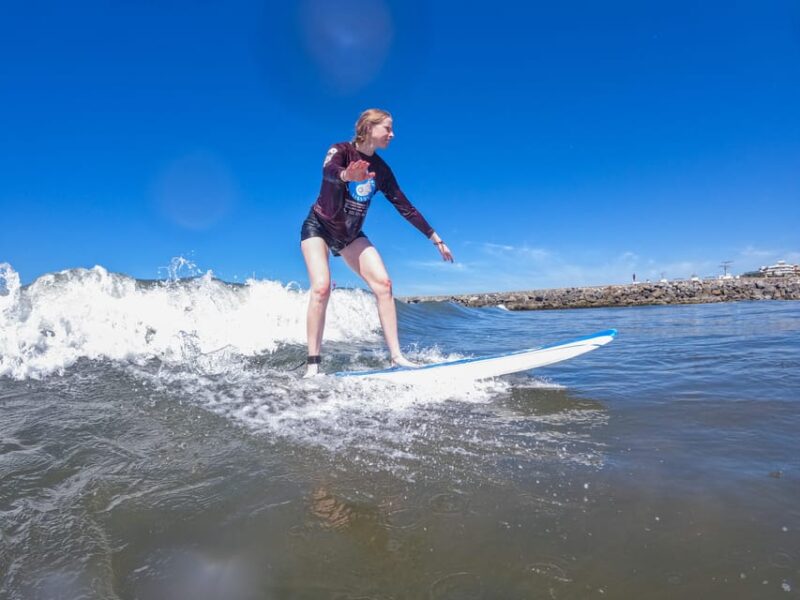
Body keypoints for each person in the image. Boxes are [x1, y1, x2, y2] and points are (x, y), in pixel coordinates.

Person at [300, 108, 453, 376]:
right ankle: (313, 366)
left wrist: (435, 238)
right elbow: (329, 172)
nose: (392, 134)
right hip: (319, 226)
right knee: (322, 288)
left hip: (349, 234)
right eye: (388, 129)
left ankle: (396, 358)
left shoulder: (381, 170)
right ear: (369, 128)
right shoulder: (340, 150)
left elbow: (404, 206)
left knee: (384, 285)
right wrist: (348, 176)